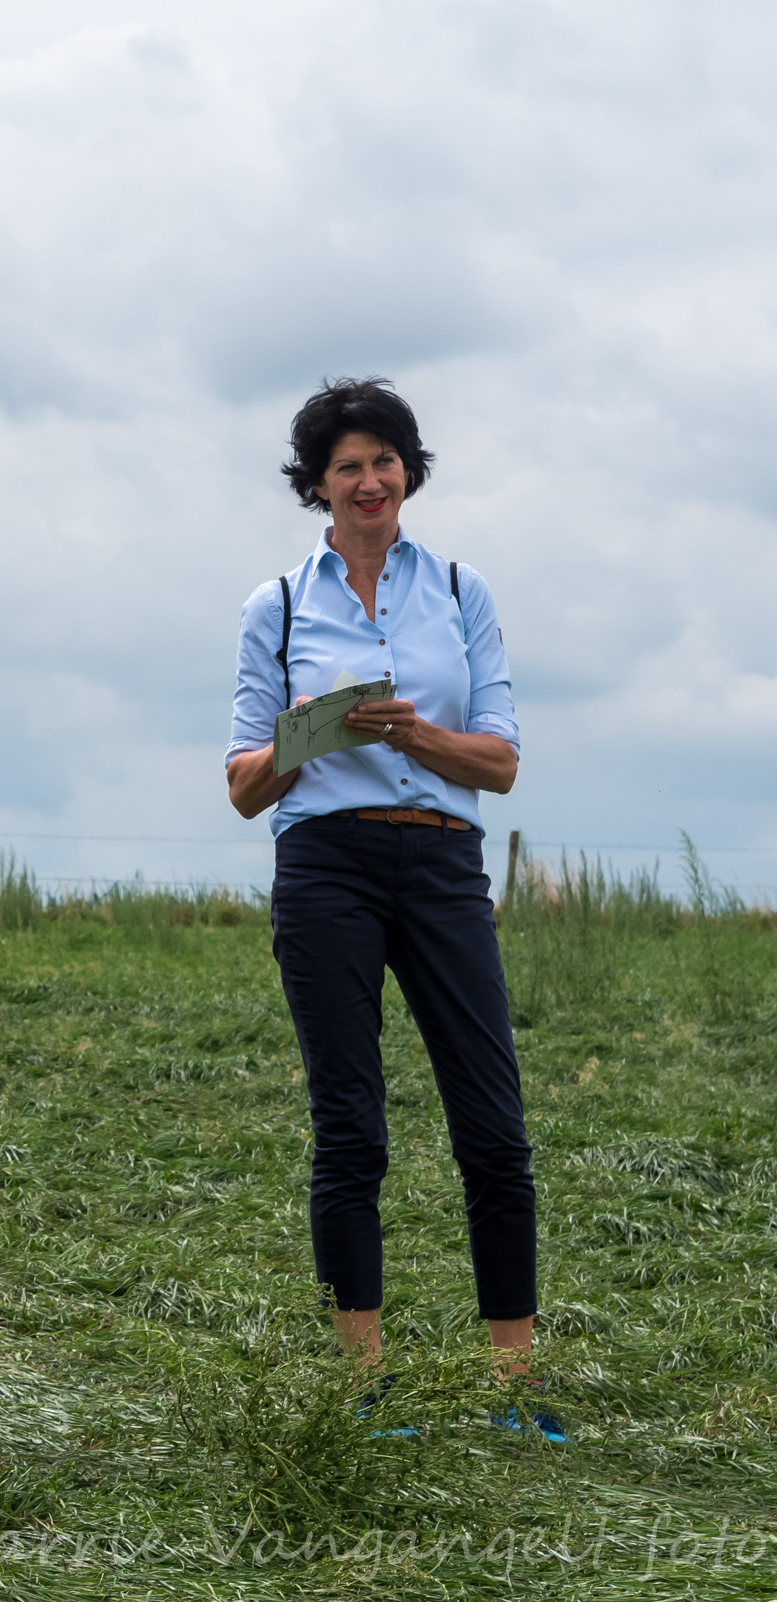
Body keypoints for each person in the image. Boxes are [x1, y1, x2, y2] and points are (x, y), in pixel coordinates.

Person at [225, 378, 560, 1440]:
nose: (369, 481)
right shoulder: (277, 606)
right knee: (351, 1129)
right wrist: (314, 733)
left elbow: (500, 763)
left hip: (445, 864)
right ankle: (364, 1388)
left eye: (384, 461)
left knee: (494, 1129)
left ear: (408, 471)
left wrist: (415, 736)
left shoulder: (462, 590)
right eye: (347, 467)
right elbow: (242, 786)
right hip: (326, 865)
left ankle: (518, 1389)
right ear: (316, 485)